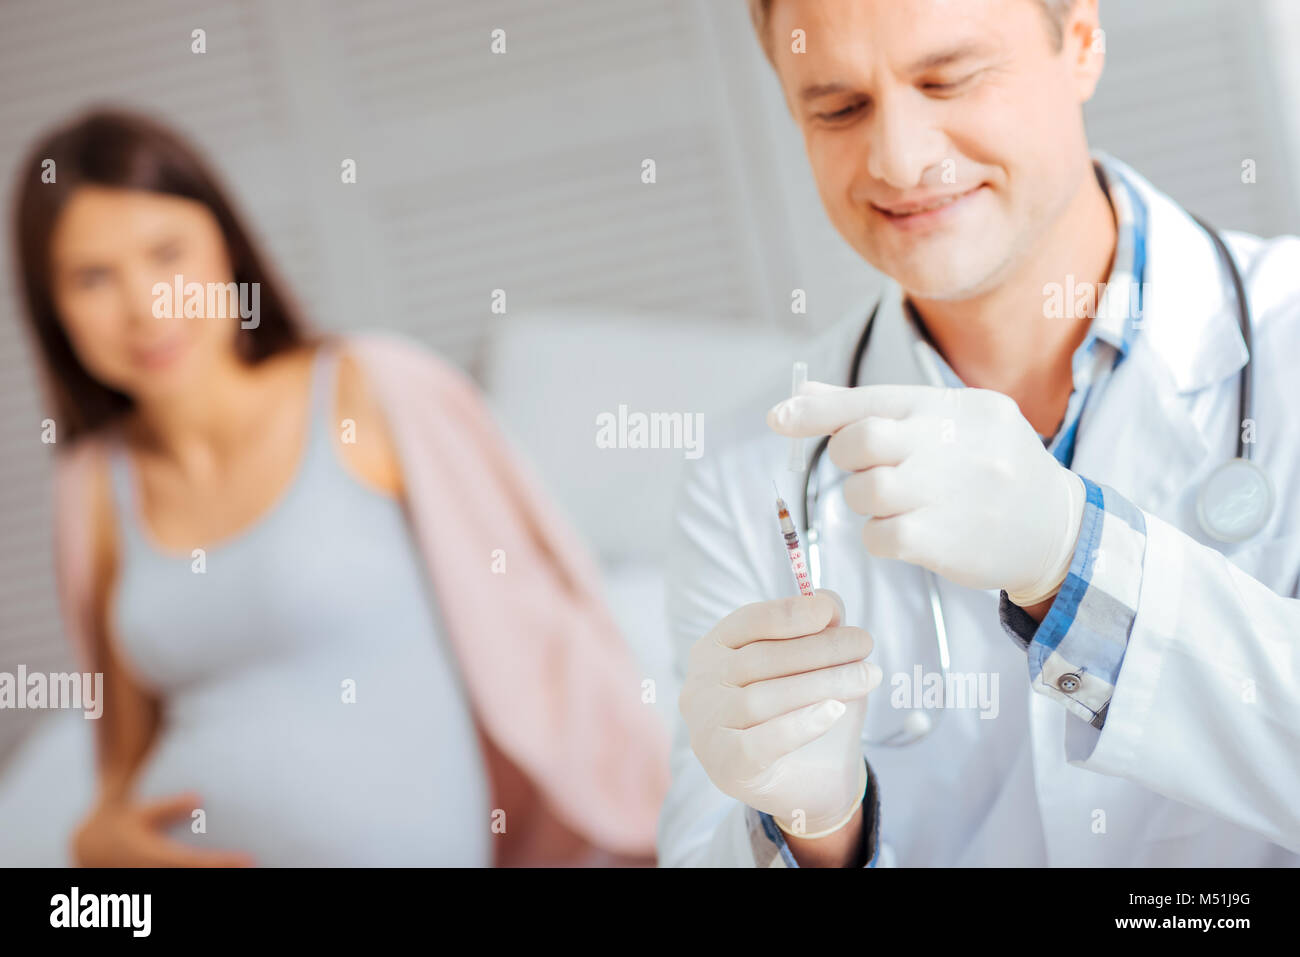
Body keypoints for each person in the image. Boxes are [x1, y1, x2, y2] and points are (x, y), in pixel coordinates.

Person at [658, 0, 1300, 867]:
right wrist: (817, 835)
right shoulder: (747, 477)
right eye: (838, 108)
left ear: (1079, 41)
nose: (899, 158)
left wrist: (1072, 558)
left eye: (948, 79)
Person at [12, 108, 668, 866]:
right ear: (52, 308)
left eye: (166, 253)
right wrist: (97, 839)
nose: (144, 306)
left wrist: (661, 817)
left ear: (225, 244)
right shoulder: (89, 481)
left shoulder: (375, 389)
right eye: (92, 277)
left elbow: (548, 637)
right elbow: (123, 752)